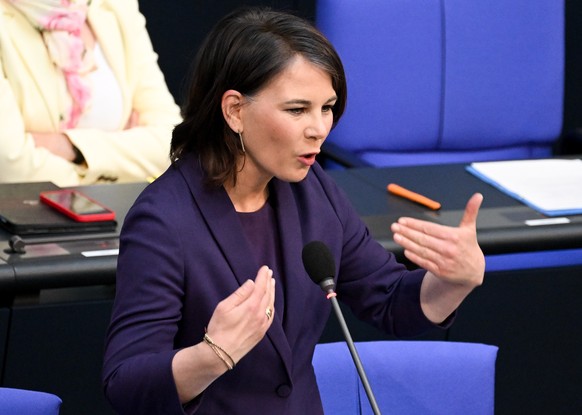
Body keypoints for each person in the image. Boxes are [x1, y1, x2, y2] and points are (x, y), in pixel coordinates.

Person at [102, 7, 485, 414]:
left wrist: (454, 282)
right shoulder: (164, 218)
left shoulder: (312, 189)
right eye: (297, 110)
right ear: (234, 110)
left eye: (328, 107)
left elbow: (389, 301)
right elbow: (126, 383)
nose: (319, 128)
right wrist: (213, 355)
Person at [0, 0, 182, 186]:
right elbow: (9, 168)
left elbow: (175, 143)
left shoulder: (116, 6)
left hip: (121, 212)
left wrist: (70, 147)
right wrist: (125, 163)